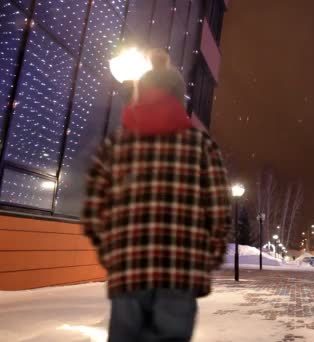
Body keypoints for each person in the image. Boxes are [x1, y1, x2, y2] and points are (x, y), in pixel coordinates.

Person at [82, 48, 231, 342]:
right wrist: (205, 259)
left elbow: (94, 210)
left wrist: (113, 254)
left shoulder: (117, 145)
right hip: (180, 273)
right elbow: (218, 212)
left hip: (129, 272)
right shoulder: (200, 146)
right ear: (177, 98)